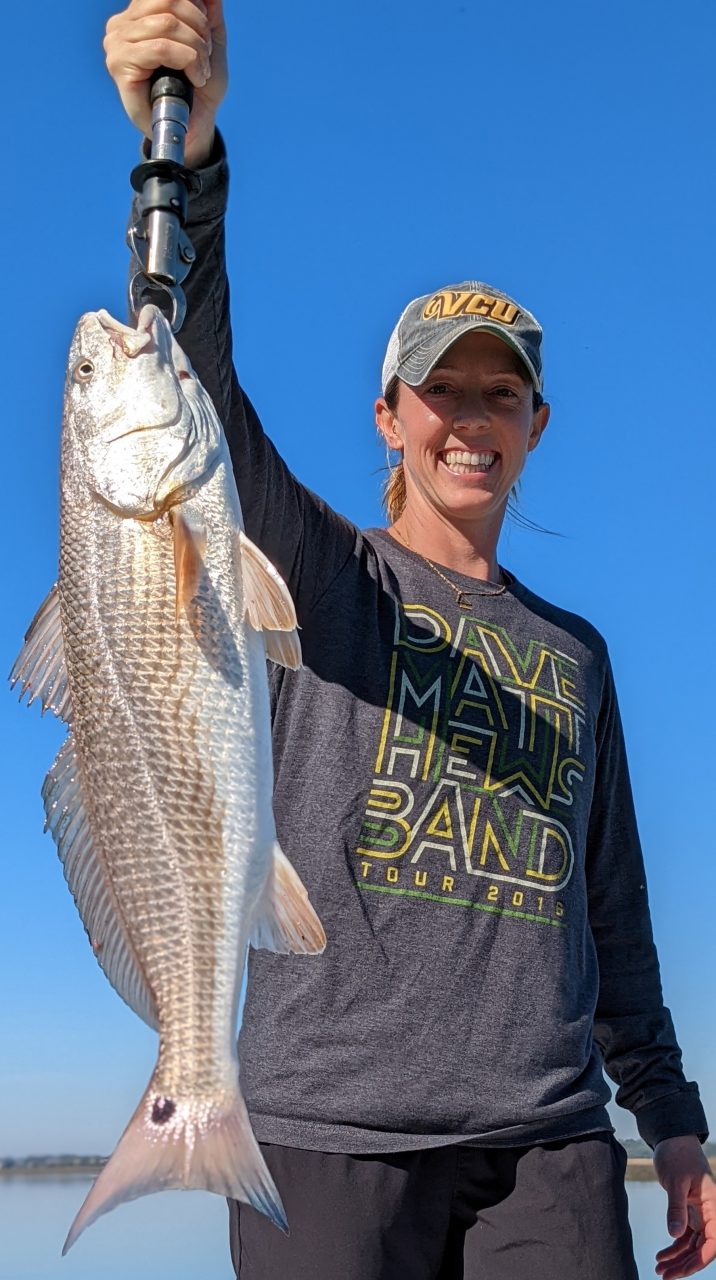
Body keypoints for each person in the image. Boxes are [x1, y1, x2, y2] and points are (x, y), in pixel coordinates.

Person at [104, 3, 716, 1277]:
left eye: (500, 394)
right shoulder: (328, 579)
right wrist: (191, 164)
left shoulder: (576, 654)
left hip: (547, 1140)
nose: (470, 420)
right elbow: (195, 389)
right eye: (442, 390)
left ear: (537, 420)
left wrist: (671, 1120)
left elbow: (612, 910)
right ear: (389, 415)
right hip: (328, 1127)